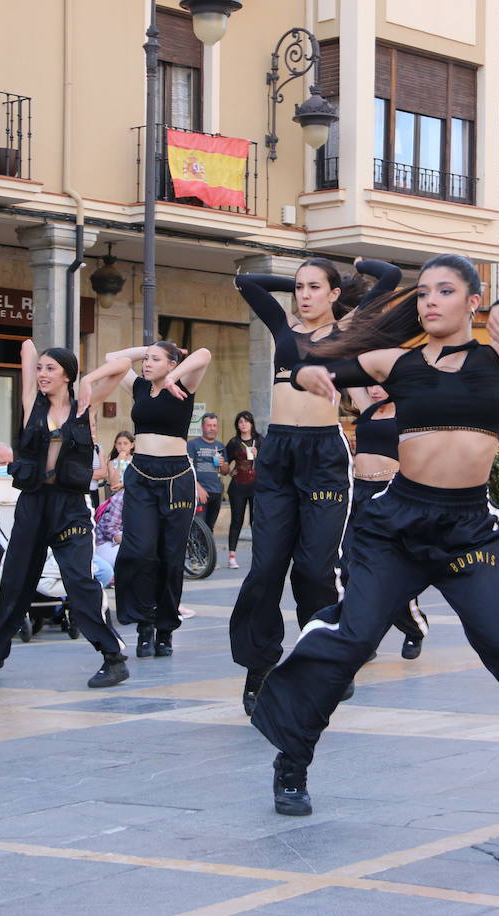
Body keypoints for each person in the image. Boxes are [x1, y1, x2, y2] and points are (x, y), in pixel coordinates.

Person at [261, 255, 499, 816]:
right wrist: (307, 373)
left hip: (468, 530)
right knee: (351, 638)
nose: (428, 301)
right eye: (422, 292)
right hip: (396, 526)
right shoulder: (392, 363)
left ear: (471, 302)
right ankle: (292, 762)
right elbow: (303, 361)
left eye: (444, 291)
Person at [230, 257, 401, 715]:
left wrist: (357, 269)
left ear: (331, 294)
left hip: (324, 456)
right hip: (278, 454)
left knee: (313, 570)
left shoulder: (348, 328)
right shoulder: (283, 324)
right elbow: (245, 280)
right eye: (299, 288)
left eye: (313, 288)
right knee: (266, 568)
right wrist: (297, 278)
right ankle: (259, 666)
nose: (303, 296)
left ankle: (323, 660)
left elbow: (390, 279)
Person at [0, 340, 129, 688]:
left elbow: (122, 366)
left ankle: (113, 658)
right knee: (14, 583)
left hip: (70, 509)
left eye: (51, 369)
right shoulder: (30, 404)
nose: (42, 374)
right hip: (34, 505)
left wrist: (88, 380)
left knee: (80, 582)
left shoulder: (86, 406)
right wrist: (35, 361)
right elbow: (25, 345)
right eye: (40, 368)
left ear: (67, 375)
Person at [85, 342, 210, 657]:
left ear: (171, 364)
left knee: (170, 556)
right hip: (140, 476)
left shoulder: (184, 384)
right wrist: (147, 350)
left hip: (176, 478)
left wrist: (173, 374)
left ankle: (165, 629)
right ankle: (144, 624)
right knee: (138, 551)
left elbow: (204, 354)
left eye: (156, 359)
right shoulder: (139, 386)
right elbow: (112, 357)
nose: (147, 363)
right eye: (146, 359)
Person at [344, 385, 427, 659]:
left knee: (392, 575)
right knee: (348, 569)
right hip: (358, 494)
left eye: (380, 385)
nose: (374, 391)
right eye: (370, 385)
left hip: (389, 494)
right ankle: (365, 638)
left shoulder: (407, 411)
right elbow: (348, 369)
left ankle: (413, 627)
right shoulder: (367, 407)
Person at [223, 411, 260, 569]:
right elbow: (224, 463)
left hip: (256, 486)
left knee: (256, 522)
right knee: (237, 521)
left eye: (246, 421)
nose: (243, 425)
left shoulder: (259, 441)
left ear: (252, 423)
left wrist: (258, 455)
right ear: (237, 425)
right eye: (240, 422)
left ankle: (258, 556)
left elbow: (269, 461)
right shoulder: (234, 442)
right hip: (238, 486)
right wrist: (229, 471)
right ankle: (232, 556)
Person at [188, 413, 226, 533]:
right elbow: (188, 470)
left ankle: (207, 552)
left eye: (214, 425)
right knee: (199, 528)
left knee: (210, 529)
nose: (212, 428)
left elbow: (225, 471)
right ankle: (196, 552)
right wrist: (198, 488)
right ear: (202, 427)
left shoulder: (219, 446)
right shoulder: (193, 444)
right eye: (209, 425)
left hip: (216, 491)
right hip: (200, 493)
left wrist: (222, 464)